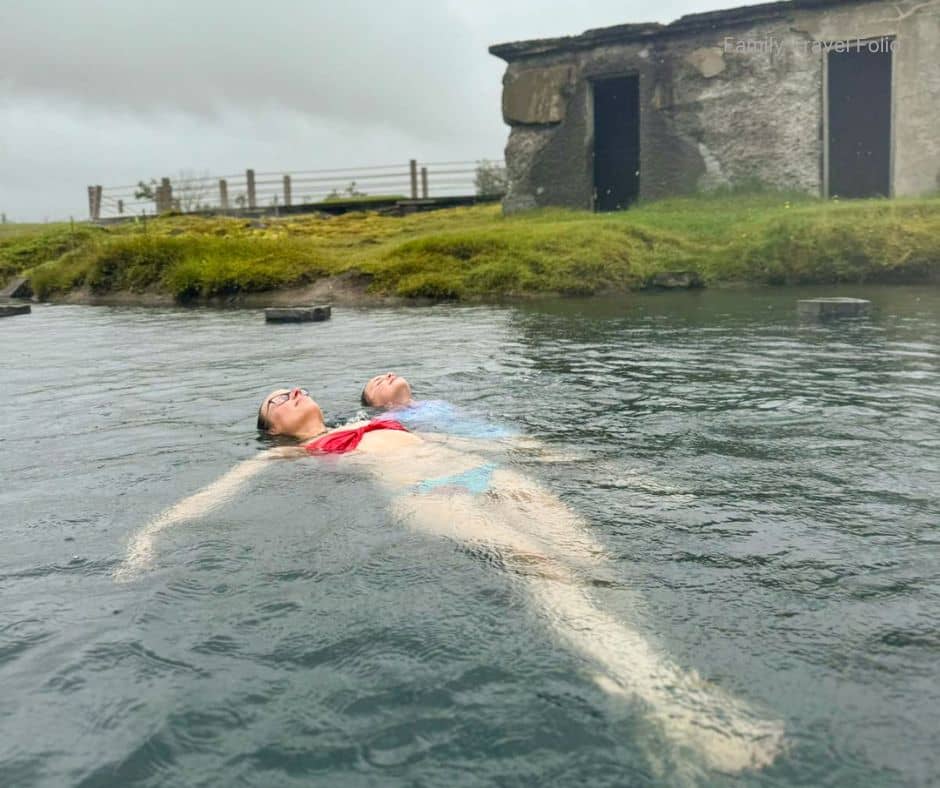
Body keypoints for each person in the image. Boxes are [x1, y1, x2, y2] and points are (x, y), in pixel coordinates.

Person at [114, 385, 784, 773]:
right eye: (274, 402)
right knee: (545, 573)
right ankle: (655, 697)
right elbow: (204, 501)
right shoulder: (293, 457)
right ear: (272, 430)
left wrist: (582, 462)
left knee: (601, 568)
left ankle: (651, 667)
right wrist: (146, 541)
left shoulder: (368, 422)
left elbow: (482, 439)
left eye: (293, 389)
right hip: (434, 498)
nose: (288, 395)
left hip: (489, 476)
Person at [360, 372, 515, 440]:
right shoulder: (385, 420)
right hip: (470, 445)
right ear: (376, 404)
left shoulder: (436, 403)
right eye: (379, 383)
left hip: (503, 434)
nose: (389, 374)